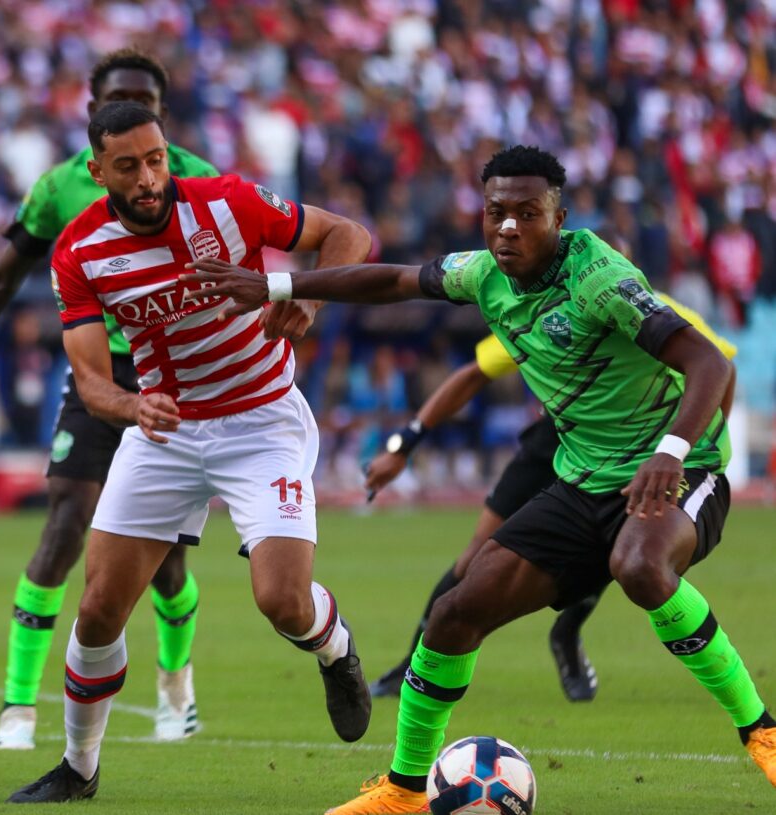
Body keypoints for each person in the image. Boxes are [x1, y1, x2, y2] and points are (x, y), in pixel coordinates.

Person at [183, 145, 776, 813]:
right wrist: (279, 285)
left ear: (560, 216)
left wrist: (670, 452)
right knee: (453, 613)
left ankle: (762, 730)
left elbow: (709, 363)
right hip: (582, 478)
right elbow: (387, 280)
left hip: (680, 467)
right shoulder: (480, 274)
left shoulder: (599, 279)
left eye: (529, 213)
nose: (509, 228)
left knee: (639, 564)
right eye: (497, 213)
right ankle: (405, 792)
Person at [6, 101, 374, 804]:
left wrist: (310, 297)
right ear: (97, 170)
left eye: (156, 159)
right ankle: (78, 768)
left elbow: (347, 234)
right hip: (164, 431)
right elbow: (88, 376)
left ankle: (336, 650)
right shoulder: (79, 250)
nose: (148, 178)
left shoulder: (229, 203)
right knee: (97, 610)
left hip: (262, 420)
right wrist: (128, 405)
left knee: (282, 600)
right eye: (128, 166)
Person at [0, 48, 220, 750]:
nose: (134, 111)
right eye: (119, 98)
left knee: (163, 559)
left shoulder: (198, 179)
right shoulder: (60, 188)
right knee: (64, 524)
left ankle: (174, 681)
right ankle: (16, 707)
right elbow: (1, 279)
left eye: (147, 101)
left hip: (176, 379)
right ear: (91, 109)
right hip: (97, 377)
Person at [366, 290, 739, 703]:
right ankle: (412, 666)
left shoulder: (662, 313)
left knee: (626, 552)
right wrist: (404, 444)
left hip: (641, 446)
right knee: (476, 555)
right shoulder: (550, 308)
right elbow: (474, 374)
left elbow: (721, 366)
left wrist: (689, 448)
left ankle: (567, 635)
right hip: (558, 438)